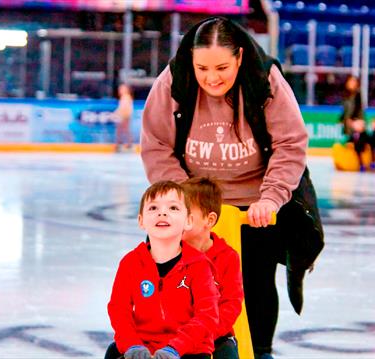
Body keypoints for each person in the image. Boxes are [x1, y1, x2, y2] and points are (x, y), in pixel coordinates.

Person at [140, 16, 324, 359]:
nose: (212, 78)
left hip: (254, 204)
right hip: (194, 204)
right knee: (183, 282)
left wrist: (270, 199)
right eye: (202, 68)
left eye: (222, 67)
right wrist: (184, 201)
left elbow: (290, 143)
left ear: (239, 57)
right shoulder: (174, 81)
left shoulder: (263, 80)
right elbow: (156, 146)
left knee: (254, 281)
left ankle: (261, 350)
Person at [105, 180, 219, 359]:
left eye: (173, 208)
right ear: (141, 220)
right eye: (153, 208)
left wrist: (176, 348)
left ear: (188, 221)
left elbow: (207, 315)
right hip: (143, 346)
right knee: (113, 352)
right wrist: (131, 343)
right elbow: (119, 309)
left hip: (189, 349)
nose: (162, 212)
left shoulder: (199, 265)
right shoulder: (131, 263)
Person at [181, 176, 243, 359]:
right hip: (174, 333)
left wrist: (205, 333)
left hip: (215, 336)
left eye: (185, 213)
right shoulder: (166, 251)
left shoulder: (228, 258)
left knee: (227, 354)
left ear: (209, 220)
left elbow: (231, 304)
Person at [339, 75, 374, 171]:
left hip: (358, 123)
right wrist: (343, 121)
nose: (352, 84)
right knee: (353, 141)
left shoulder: (357, 95)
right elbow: (344, 112)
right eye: (350, 82)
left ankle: (365, 163)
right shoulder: (345, 96)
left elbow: (357, 111)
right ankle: (362, 163)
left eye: (354, 82)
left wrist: (355, 122)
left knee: (361, 140)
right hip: (349, 125)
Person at [111, 83, 134, 151]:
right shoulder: (125, 97)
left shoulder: (126, 97)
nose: (120, 90)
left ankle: (127, 144)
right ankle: (120, 144)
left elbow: (125, 107)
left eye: (122, 89)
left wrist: (117, 113)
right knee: (121, 130)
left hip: (125, 116)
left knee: (124, 130)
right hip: (124, 115)